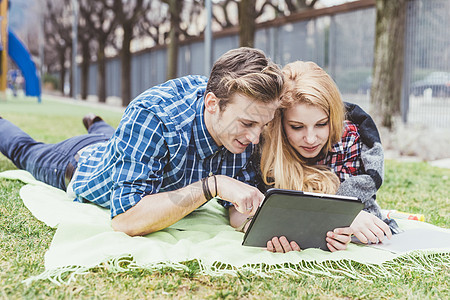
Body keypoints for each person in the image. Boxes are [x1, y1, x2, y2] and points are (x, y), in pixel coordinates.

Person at [0, 47, 284, 236]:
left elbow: (239, 210)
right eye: (247, 124)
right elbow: (125, 219)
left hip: (128, 147)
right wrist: (213, 185)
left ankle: (97, 124)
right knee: (24, 150)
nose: (255, 138)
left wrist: (256, 225)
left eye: (264, 125)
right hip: (79, 164)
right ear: (212, 104)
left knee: (114, 138)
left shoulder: (243, 109)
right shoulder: (154, 117)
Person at [230, 61, 398, 253]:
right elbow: (240, 212)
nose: (310, 139)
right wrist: (265, 229)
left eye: (321, 124)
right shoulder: (262, 145)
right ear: (279, 123)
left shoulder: (349, 139)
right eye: (297, 127)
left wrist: (346, 221)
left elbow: (362, 208)